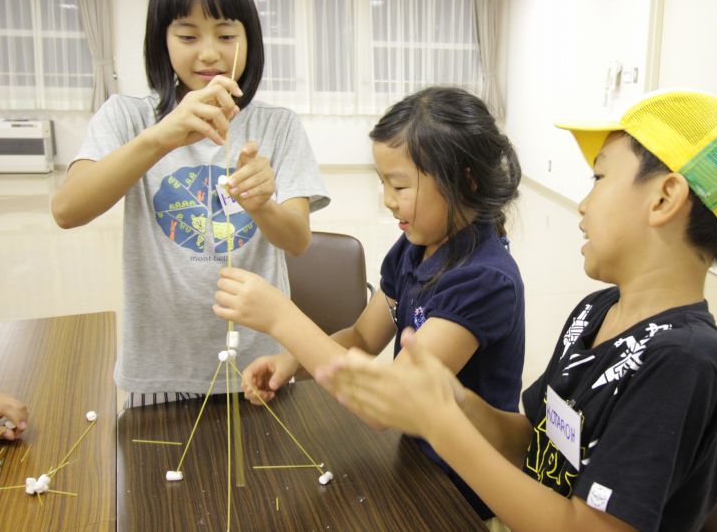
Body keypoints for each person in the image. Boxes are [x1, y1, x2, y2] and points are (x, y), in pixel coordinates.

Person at [315, 90, 717, 532]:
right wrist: (455, 400)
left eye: (599, 179)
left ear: (665, 198)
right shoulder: (595, 312)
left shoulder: (682, 362)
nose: (584, 203)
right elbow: (534, 443)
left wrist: (443, 426)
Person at [212, 86, 525, 519]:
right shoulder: (415, 248)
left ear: (465, 181)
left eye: (399, 184)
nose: (387, 199)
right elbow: (362, 335)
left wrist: (281, 318)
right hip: (417, 462)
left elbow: (391, 403)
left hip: (464, 491)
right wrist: (291, 362)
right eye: (383, 183)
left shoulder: (483, 280)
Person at [50, 0, 329, 407]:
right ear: (163, 40)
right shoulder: (129, 117)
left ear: (248, 41)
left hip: (257, 369)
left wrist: (262, 205)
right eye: (187, 35)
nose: (209, 53)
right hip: (157, 368)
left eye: (225, 35)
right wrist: (160, 137)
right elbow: (67, 210)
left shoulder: (278, 127)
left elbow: (296, 241)